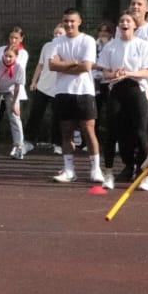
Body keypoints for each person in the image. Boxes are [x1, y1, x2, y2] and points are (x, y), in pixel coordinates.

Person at [97, 12, 148, 189]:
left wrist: (129, 73)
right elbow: (104, 73)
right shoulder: (111, 46)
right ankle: (108, 174)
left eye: (128, 21)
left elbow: (146, 72)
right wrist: (114, 74)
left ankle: (147, 176)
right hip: (116, 91)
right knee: (112, 132)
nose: (124, 23)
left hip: (136, 91)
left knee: (140, 133)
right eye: (122, 21)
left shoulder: (142, 45)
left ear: (134, 25)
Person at [48, 10, 105, 184]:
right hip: (63, 92)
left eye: (72, 21)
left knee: (88, 130)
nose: (69, 24)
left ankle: (96, 169)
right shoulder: (57, 41)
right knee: (66, 132)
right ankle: (69, 170)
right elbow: (52, 65)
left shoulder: (87, 40)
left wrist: (64, 65)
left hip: (84, 92)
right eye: (66, 21)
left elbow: (86, 67)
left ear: (79, 21)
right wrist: (73, 63)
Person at [25, 24, 66, 156]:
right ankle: (29, 141)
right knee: (35, 114)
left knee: (58, 117)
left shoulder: (67, 48)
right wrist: (34, 81)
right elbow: (40, 65)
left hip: (58, 88)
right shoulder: (47, 46)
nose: (57, 35)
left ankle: (57, 143)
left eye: (60, 33)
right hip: (43, 86)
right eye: (55, 33)